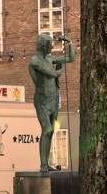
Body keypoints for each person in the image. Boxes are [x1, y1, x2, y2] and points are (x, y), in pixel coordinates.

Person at [28, 32, 76, 171]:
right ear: (43, 46)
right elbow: (53, 74)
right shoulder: (34, 61)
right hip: (42, 101)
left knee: (52, 131)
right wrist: (61, 68)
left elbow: (71, 59)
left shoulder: (50, 60)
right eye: (50, 45)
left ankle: (46, 163)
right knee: (46, 129)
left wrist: (69, 43)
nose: (51, 48)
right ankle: (43, 164)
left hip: (53, 99)